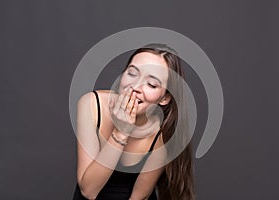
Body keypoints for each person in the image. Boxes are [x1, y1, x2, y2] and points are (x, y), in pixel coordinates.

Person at [72, 43, 195, 200]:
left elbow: (138, 197)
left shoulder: (163, 135)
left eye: (151, 84)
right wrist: (121, 132)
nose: (135, 86)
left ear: (164, 98)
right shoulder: (91, 104)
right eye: (132, 73)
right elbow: (88, 191)